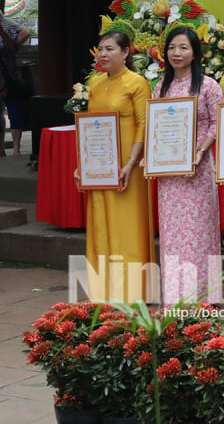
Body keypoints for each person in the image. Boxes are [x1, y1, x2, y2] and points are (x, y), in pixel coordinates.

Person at [80, 31, 155, 302]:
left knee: (127, 225)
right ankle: (102, 290)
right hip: (101, 168)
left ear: (126, 53)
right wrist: (84, 163)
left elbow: (143, 125)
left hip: (128, 168)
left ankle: (133, 291)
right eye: (100, 49)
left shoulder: (137, 83)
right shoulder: (95, 83)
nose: (102, 54)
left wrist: (131, 163)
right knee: (101, 223)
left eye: (109, 49)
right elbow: (90, 128)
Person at [153, 26, 223, 306]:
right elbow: (156, 124)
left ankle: (205, 296)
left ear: (195, 53)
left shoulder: (208, 86)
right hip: (169, 172)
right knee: (172, 234)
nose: (176, 53)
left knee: (199, 231)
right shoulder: (161, 87)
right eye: (172, 47)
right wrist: (153, 153)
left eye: (183, 47)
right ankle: (175, 296)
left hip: (198, 168)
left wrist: (200, 151)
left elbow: (218, 123)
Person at [0, 8, 31, 156]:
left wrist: (1, 30)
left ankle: (16, 149)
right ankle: (1, 149)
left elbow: (13, 46)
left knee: (14, 111)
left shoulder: (8, 30)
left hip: (10, 77)